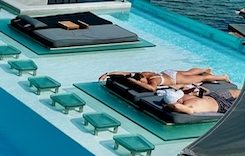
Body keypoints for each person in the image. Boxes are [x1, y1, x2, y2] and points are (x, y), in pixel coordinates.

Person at [99, 68, 230, 91]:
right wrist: (108, 74)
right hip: (168, 72)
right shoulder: (142, 73)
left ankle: (223, 77)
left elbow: (152, 88)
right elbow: (123, 73)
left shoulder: (152, 81)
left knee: (202, 78)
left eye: (141, 82)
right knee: (190, 72)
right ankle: (204, 68)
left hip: (174, 78)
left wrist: (135, 82)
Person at [169, 87, 240, 115]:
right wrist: (169, 105)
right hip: (222, 105)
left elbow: (185, 91)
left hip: (213, 95)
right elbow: (177, 106)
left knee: (236, 92)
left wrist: (191, 91)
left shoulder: (182, 96)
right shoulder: (188, 107)